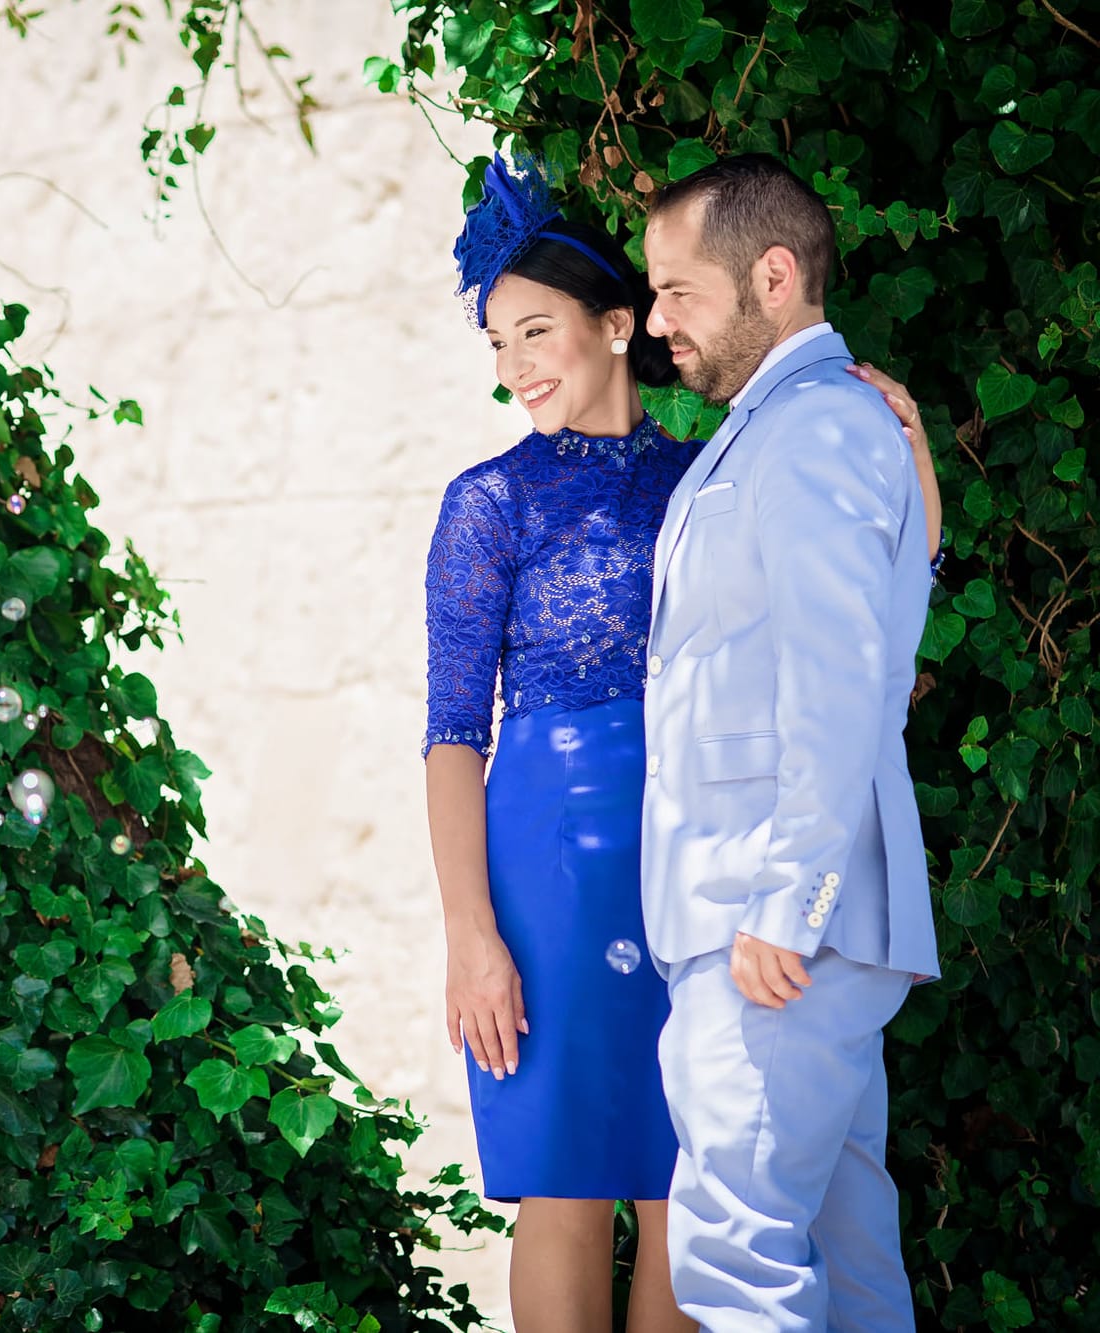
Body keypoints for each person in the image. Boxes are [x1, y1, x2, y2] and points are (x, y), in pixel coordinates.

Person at [422, 156, 940, 1332]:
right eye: (495, 346)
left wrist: (918, 503)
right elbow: (451, 727)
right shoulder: (489, 501)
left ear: (617, 327)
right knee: (566, 1182)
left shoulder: (722, 459)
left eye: (535, 332)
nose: (514, 369)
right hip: (551, 866)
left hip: (714, 868)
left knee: (693, 1195)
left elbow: (847, 650)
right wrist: (469, 934)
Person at [637, 153, 942, 1331]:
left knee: (734, 1259)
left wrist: (785, 902)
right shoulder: (799, 426)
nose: (655, 321)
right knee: (844, 1249)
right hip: (785, 920)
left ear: (771, 276)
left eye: (676, 292)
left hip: (772, 923)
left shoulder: (811, 429)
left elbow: (836, 685)